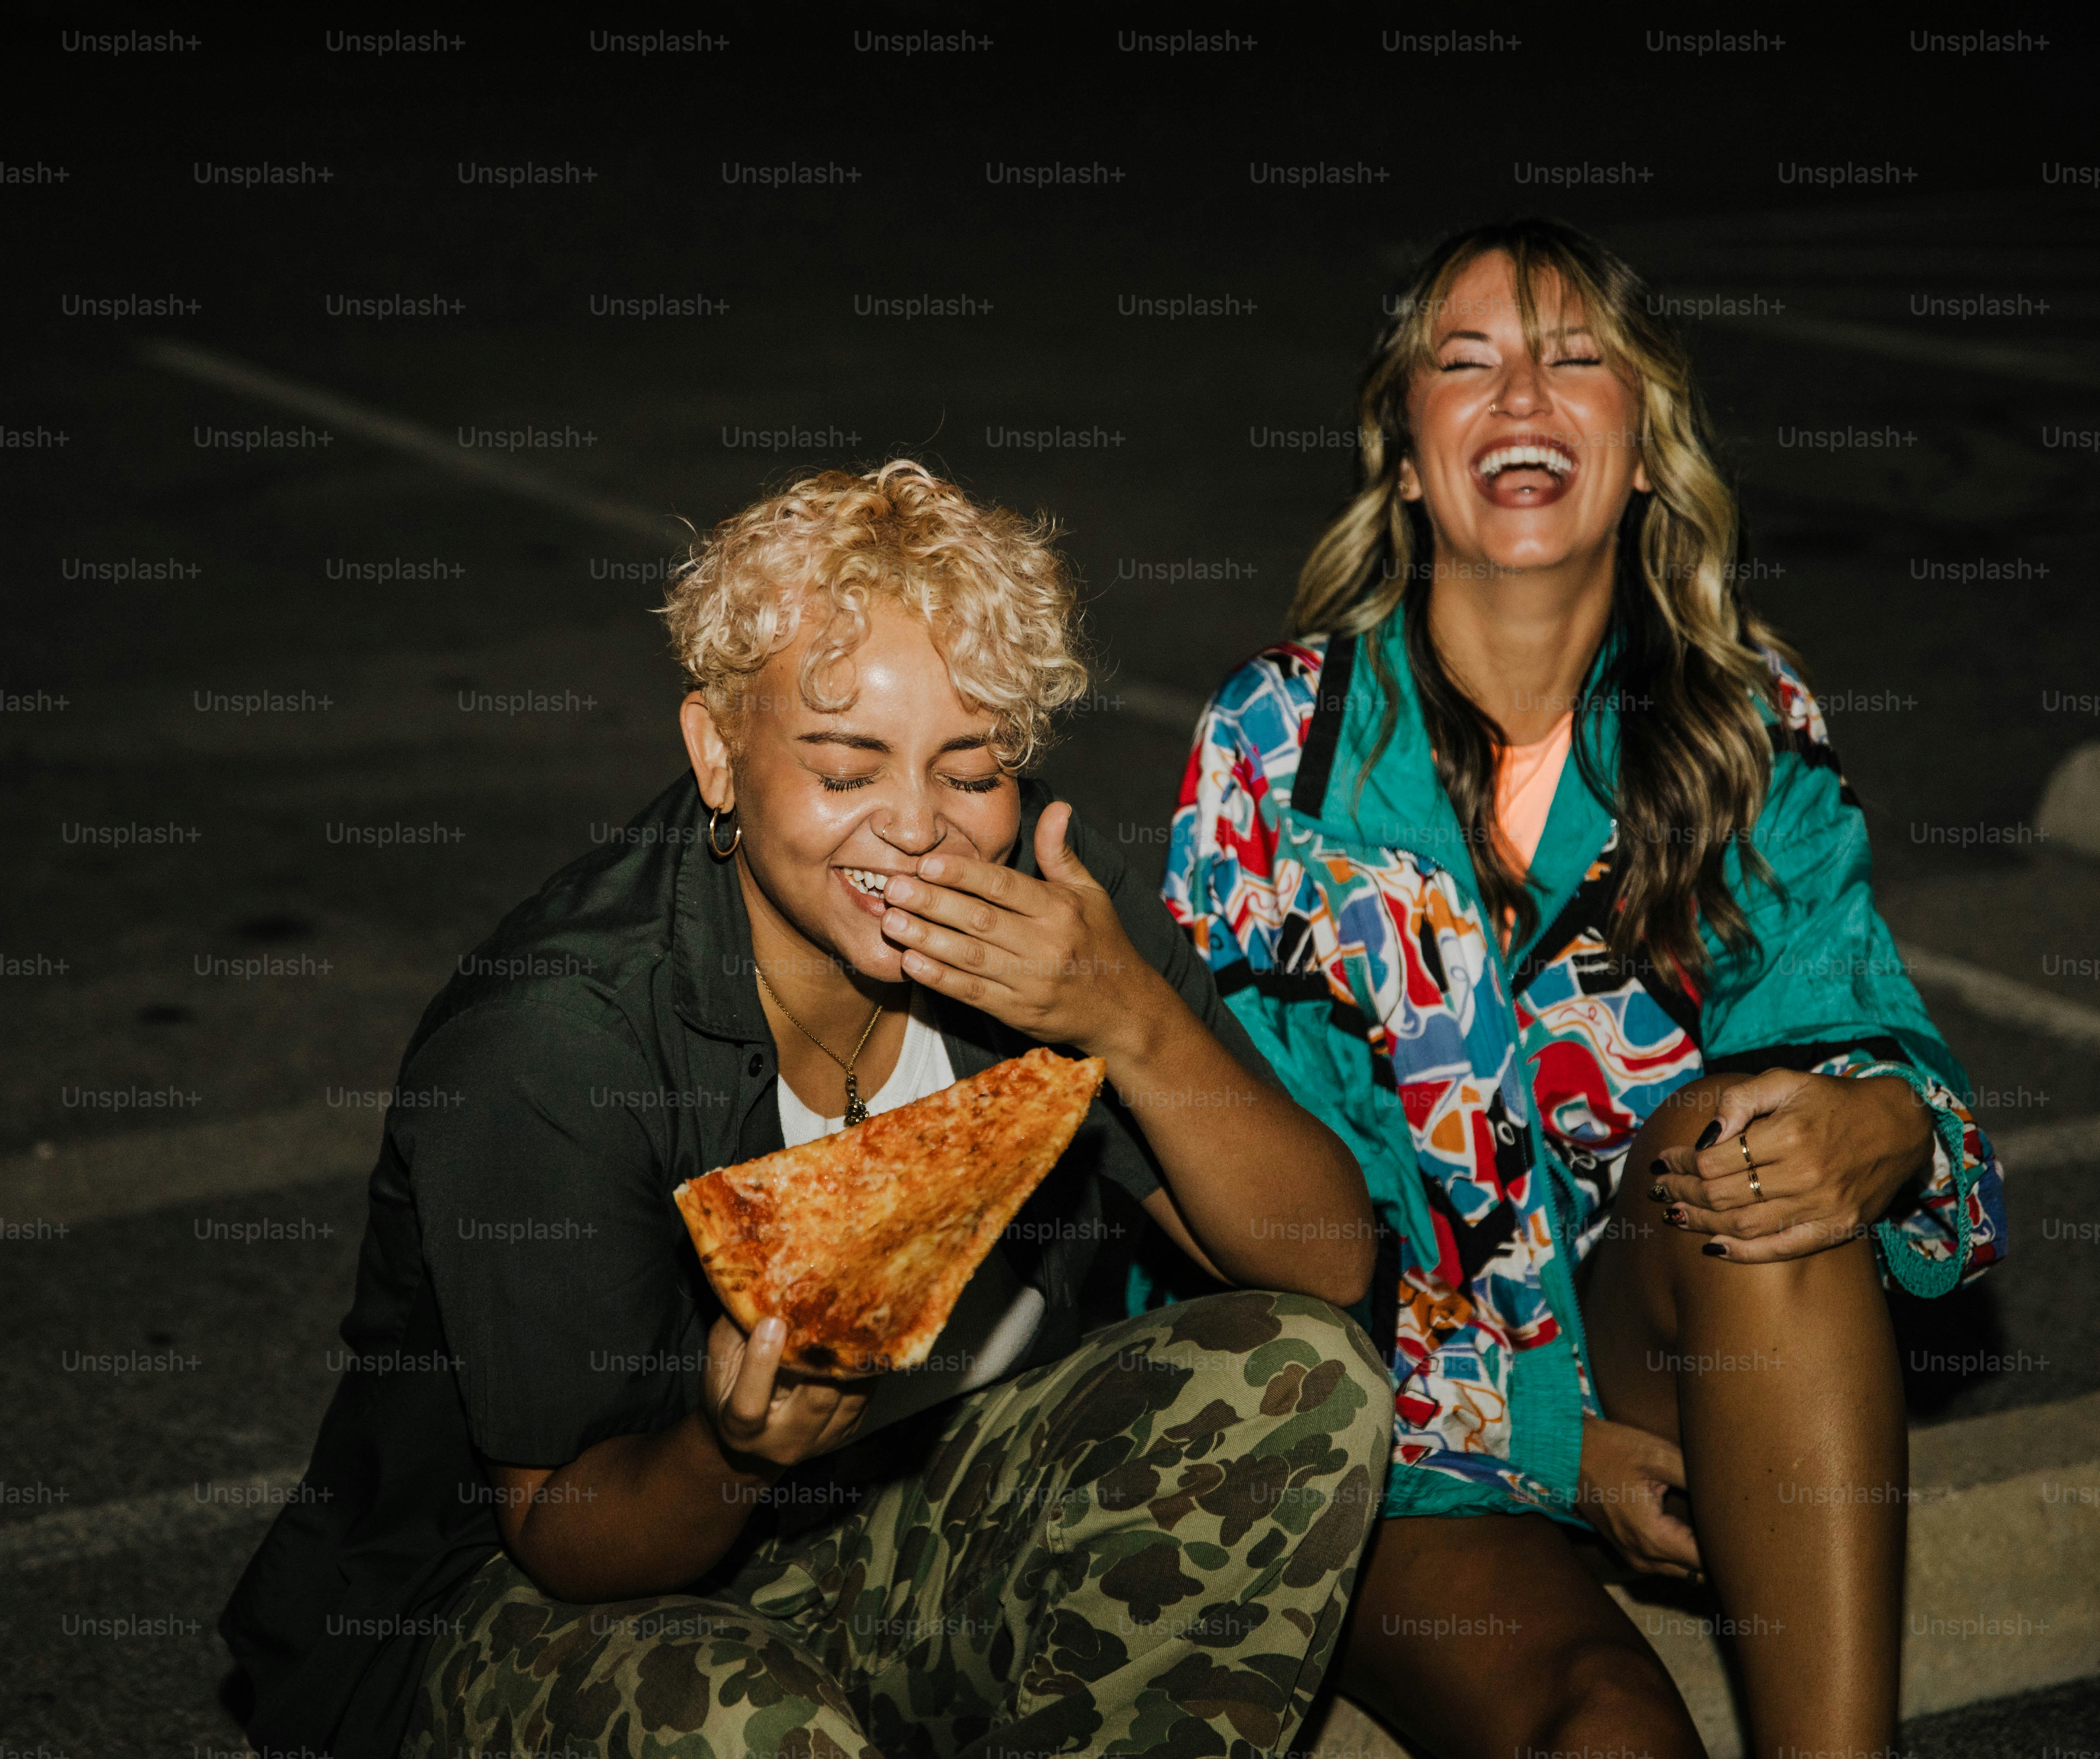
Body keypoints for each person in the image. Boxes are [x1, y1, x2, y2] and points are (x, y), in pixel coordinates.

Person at [221, 461, 1391, 1759]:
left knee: (1291, 1380)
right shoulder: (559, 1036)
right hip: (524, 1608)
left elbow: (1325, 1266)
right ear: (717, 755)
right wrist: (731, 1453)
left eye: (970, 768)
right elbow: (563, 1532)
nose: (915, 831)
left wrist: (1130, 1015)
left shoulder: (1041, 912)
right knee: (739, 1722)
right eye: (845, 770)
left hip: (884, 1526)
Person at [1156, 221, 2007, 1757]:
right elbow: (1252, 1255)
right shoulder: (1274, 747)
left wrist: (1887, 1129)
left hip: (1652, 1339)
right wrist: (1557, 1452)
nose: (1521, 396)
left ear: (1640, 448)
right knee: (1606, 1738)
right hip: (1384, 1436)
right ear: (1407, 460)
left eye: (1573, 359)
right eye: (1465, 363)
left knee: (1761, 1144)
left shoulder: (1747, 720)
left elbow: (1864, 1034)